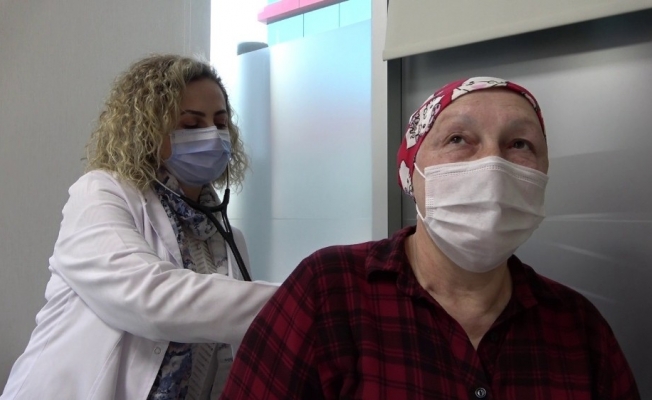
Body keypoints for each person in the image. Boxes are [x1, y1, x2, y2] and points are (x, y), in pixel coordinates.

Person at [220, 77, 640, 399]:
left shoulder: (580, 328)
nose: (493, 164)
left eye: (519, 144)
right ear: (412, 173)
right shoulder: (328, 292)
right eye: (458, 139)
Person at [1, 54, 278, 400]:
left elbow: (227, 344)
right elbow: (150, 299)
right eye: (191, 125)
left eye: (220, 124)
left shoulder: (229, 238)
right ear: (147, 130)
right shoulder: (100, 194)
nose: (212, 136)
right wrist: (297, 297)